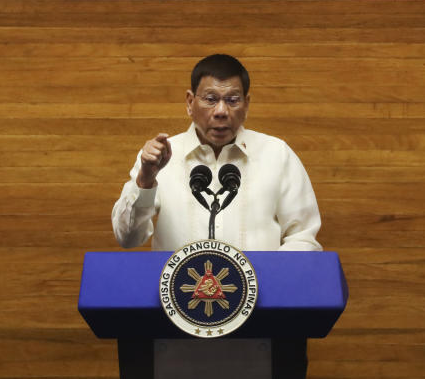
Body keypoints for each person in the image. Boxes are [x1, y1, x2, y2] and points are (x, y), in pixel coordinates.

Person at [112, 54, 322, 252]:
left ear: (246, 105)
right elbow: (128, 238)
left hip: (262, 288)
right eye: (211, 99)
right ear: (190, 103)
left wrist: (268, 281)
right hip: (180, 289)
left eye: (232, 100)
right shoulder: (158, 158)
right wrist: (145, 181)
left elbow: (303, 237)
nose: (221, 111)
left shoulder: (276, 154)